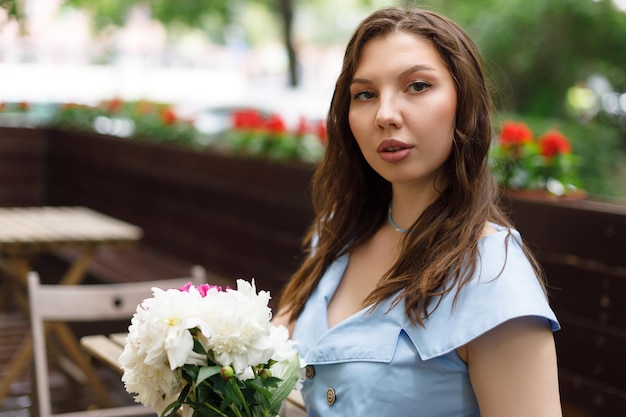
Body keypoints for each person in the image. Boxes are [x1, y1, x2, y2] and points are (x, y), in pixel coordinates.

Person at [273, 6, 562, 417]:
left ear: (465, 103)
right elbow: (266, 360)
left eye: (418, 86)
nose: (385, 114)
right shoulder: (339, 233)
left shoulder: (492, 277)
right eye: (365, 94)